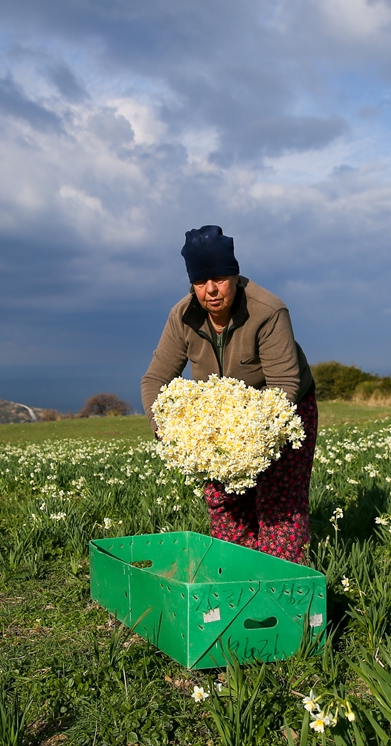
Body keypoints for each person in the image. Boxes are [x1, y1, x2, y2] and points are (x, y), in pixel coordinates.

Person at [142, 225, 317, 564]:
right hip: (220, 425)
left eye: (220, 278)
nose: (211, 290)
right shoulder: (182, 317)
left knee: (279, 503)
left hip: (284, 411)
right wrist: (166, 432)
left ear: (235, 276)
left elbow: (284, 385)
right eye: (200, 282)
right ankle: (238, 578)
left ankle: (280, 590)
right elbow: (155, 379)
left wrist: (252, 439)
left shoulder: (268, 310)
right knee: (224, 502)